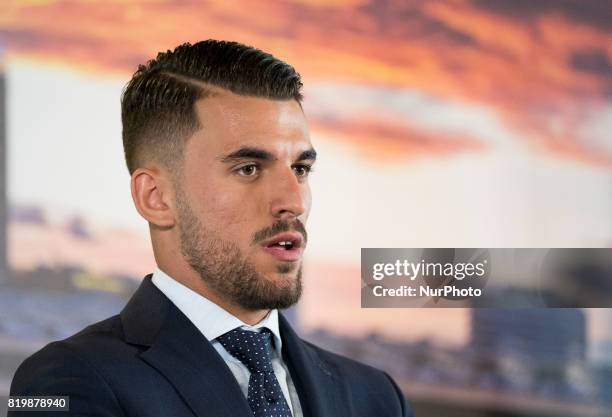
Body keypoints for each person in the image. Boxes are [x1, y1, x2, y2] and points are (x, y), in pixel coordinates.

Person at [9, 40, 413, 417]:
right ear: (157, 197)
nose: (294, 200)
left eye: (300, 168)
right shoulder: (65, 379)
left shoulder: (376, 396)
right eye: (248, 168)